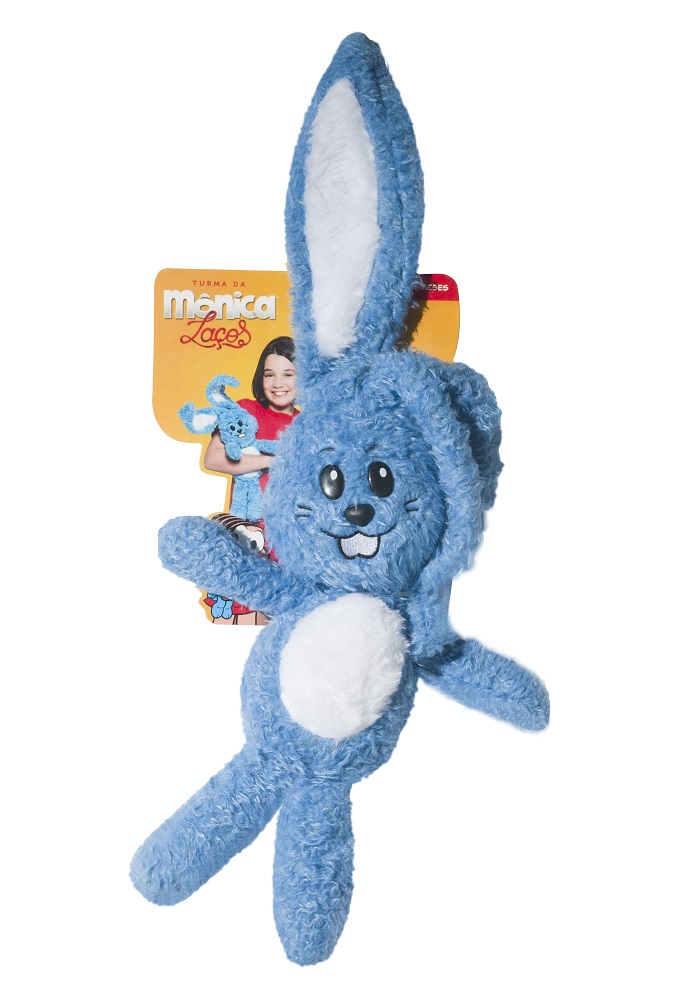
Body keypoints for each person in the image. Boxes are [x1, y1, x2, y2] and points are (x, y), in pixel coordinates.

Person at [203, 336, 298, 624]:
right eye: (270, 374)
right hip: (249, 528)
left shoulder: (306, 424)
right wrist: (271, 461)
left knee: (284, 612)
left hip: (289, 533)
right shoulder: (245, 411)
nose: (278, 383)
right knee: (240, 610)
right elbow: (214, 458)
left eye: (288, 374)